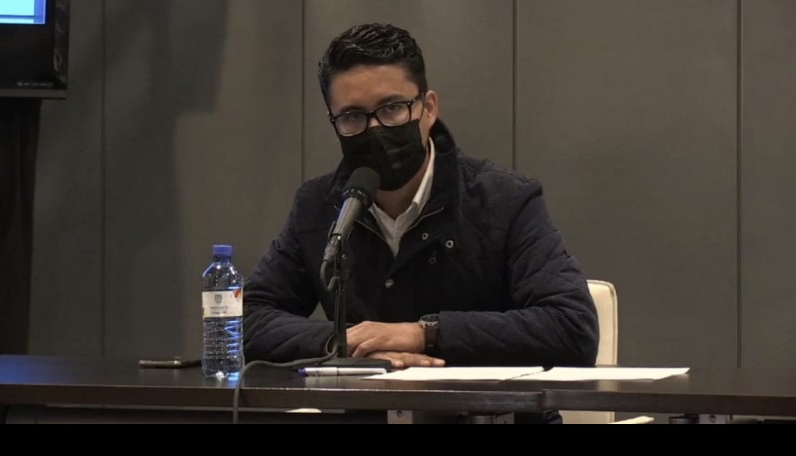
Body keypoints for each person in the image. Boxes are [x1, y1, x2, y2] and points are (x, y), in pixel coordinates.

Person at [244, 22, 598, 379]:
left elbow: (571, 326)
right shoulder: (319, 205)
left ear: (428, 108)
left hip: (481, 406)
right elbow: (248, 317)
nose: (375, 129)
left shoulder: (505, 200)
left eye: (392, 108)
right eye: (352, 117)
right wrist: (347, 342)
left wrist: (423, 334)